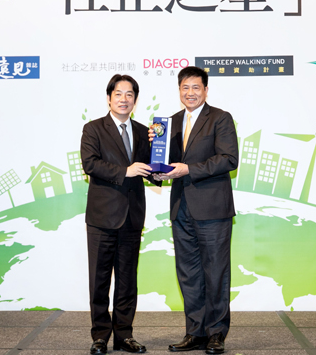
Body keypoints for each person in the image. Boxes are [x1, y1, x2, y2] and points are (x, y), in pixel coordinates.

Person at [154, 66, 239, 355]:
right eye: (185, 88)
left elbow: (229, 159)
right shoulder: (171, 122)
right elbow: (168, 163)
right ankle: (195, 332)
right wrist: (157, 164)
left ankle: (216, 333)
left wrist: (189, 169)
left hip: (212, 208)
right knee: (188, 274)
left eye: (196, 87)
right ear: (179, 91)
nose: (190, 93)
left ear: (205, 90)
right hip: (181, 208)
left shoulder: (220, 118)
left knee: (215, 272)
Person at [80, 74, 160, 354]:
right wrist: (125, 171)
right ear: (109, 98)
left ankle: (124, 335)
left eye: (129, 95)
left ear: (135, 100)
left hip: (132, 217)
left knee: (127, 281)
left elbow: (151, 171)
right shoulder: (93, 129)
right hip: (102, 218)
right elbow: (90, 164)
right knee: (99, 280)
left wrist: (160, 158)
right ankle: (100, 336)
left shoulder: (143, 131)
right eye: (118, 94)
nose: (124, 99)